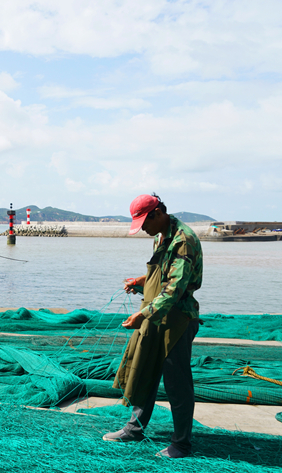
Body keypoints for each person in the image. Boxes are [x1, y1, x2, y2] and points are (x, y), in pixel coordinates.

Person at [103, 193, 203, 459]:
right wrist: (140, 281)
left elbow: (174, 290)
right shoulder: (162, 235)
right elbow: (162, 273)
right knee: (145, 367)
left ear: (158, 213)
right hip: (157, 315)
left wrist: (142, 315)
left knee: (177, 383)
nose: (143, 229)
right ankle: (135, 429)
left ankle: (181, 443)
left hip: (177, 320)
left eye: (145, 223)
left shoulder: (184, 241)